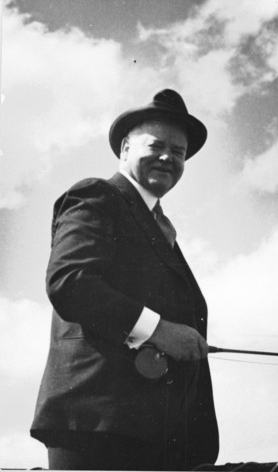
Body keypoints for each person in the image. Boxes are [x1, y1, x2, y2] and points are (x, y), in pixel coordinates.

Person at [30, 89, 219, 470]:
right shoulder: (97, 196)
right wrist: (159, 329)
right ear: (125, 150)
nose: (168, 157)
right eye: (157, 145)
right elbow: (71, 281)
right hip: (100, 432)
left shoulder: (161, 228)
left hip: (164, 443)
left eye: (179, 152)